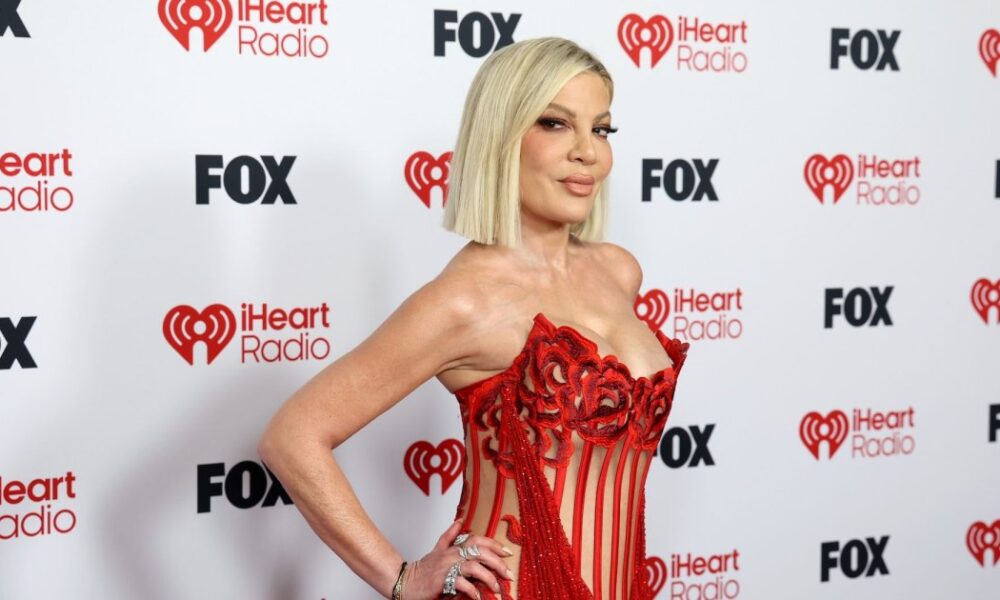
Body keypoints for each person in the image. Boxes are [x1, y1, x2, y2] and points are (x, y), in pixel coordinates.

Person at [259, 37, 688, 600]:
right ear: (501, 136)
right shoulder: (465, 300)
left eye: (602, 129)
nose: (588, 152)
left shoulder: (619, 271)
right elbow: (293, 436)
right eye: (556, 124)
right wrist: (401, 578)